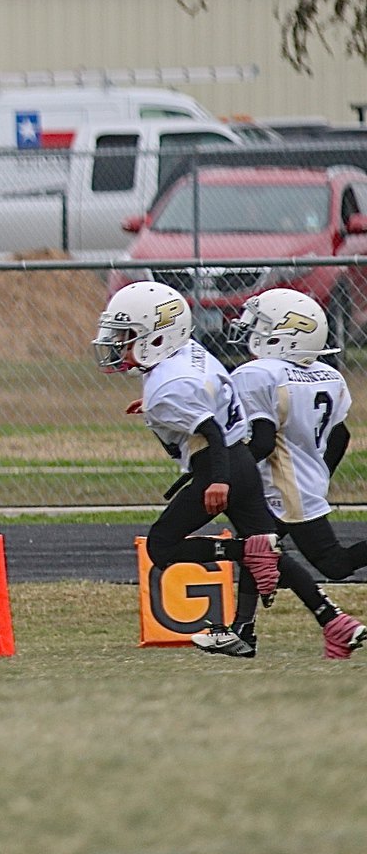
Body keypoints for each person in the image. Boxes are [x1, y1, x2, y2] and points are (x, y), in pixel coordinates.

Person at [92, 281, 287, 658]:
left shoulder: (169, 386)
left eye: (127, 335)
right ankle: (246, 632)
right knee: (270, 550)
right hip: (240, 458)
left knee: (163, 546)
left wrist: (216, 480)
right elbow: (206, 395)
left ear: (158, 337)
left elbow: (209, 430)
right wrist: (159, 410)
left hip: (220, 464)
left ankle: (242, 550)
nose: (117, 343)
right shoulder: (187, 354)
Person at [220, 288, 367, 659]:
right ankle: (243, 630)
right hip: (299, 482)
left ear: (285, 335)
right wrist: (318, 476)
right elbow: (341, 435)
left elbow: (264, 441)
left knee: (333, 564)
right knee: (257, 550)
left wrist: (227, 470)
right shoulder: (328, 375)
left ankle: (245, 630)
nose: (249, 327)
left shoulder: (258, 373)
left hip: (285, 488)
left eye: (260, 323)